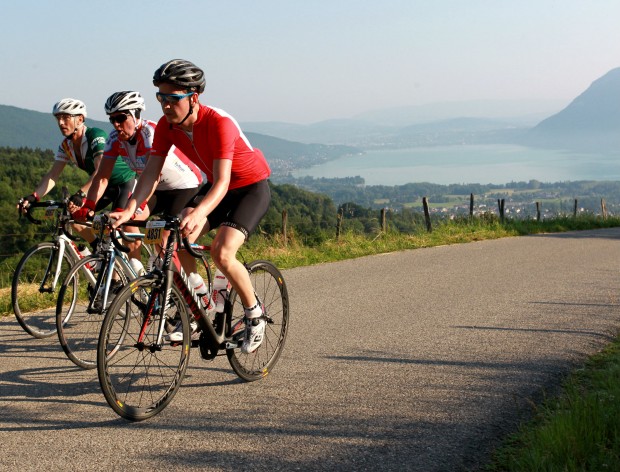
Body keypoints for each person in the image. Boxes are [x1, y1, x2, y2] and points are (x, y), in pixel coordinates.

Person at [111, 59, 271, 354]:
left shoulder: (219, 123)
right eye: (161, 97)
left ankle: (254, 314)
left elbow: (223, 181)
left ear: (193, 98)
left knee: (222, 252)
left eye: (173, 98)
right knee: (173, 238)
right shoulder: (166, 126)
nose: (165, 105)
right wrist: (131, 208)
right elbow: (151, 172)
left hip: (249, 188)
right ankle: (201, 301)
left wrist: (199, 212)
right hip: (218, 188)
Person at [83, 91, 203, 264]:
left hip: (185, 186)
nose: (116, 124)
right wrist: (89, 205)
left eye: (121, 118)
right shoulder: (114, 139)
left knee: (164, 238)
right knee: (127, 223)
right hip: (157, 188)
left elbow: (153, 175)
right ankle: (137, 273)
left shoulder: (149, 133)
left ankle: (177, 278)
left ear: (136, 115)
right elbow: (102, 178)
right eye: (112, 119)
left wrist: (138, 205)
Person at [18, 98, 136, 249]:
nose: (61, 122)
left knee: (121, 227)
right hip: (101, 186)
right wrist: (34, 196)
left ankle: (133, 263)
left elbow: (99, 170)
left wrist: (81, 193)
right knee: (75, 216)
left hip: (123, 183)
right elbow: (53, 175)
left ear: (80, 119)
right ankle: (97, 251)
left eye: (66, 117)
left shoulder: (95, 136)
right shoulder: (66, 145)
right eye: (58, 118)